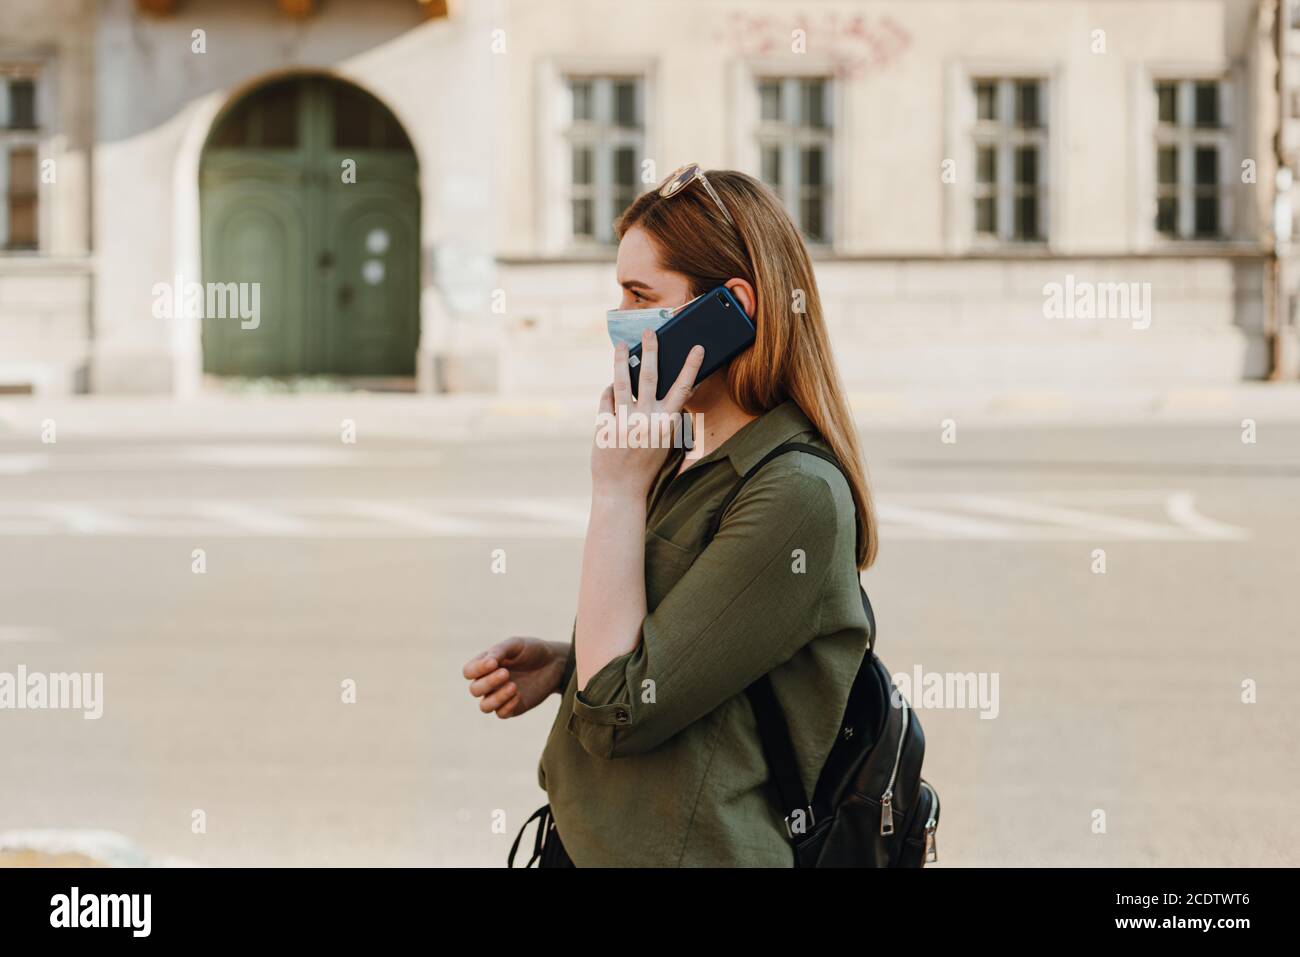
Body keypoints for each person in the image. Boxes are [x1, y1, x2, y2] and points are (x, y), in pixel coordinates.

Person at [463, 164, 878, 867]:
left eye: (640, 295)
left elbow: (616, 714)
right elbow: (690, 660)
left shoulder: (795, 492)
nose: (620, 320)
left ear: (732, 309)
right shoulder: (681, 451)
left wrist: (617, 491)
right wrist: (569, 666)